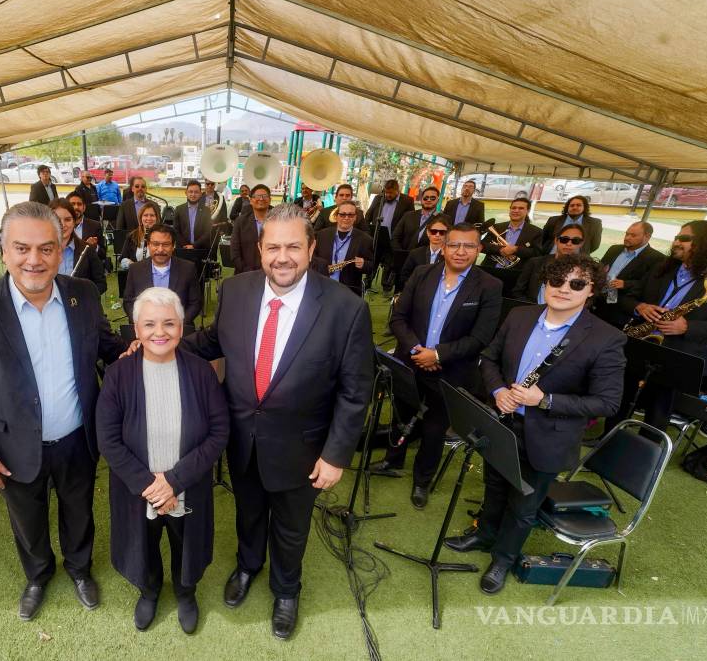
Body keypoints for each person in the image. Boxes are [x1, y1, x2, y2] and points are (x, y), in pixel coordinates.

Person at [185, 204, 373, 640]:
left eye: (293, 246)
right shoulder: (236, 291)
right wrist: (160, 341)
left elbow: (354, 391)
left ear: (311, 248)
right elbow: (213, 340)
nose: (282, 257)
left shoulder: (346, 308)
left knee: (291, 528)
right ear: (259, 249)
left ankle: (287, 590)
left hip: (303, 450)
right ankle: (249, 566)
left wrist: (335, 454)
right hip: (242, 440)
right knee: (248, 513)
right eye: (273, 247)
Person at [0, 201, 126, 621]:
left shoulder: (83, 294)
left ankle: (80, 570)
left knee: (78, 511)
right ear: (3, 251)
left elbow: (105, 347)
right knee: (27, 521)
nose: (34, 259)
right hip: (12, 447)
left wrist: (137, 350)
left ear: (62, 249)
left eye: (46, 248)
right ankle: (38, 575)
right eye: (22, 248)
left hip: (77, 438)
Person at [443, 254, 625, 595]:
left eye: (576, 284)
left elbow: (607, 402)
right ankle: (484, 534)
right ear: (545, 283)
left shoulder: (605, 338)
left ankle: (503, 558)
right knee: (495, 486)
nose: (563, 289)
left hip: (548, 437)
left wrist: (544, 400)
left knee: (524, 505)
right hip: (503, 421)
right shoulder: (520, 315)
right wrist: (497, 390)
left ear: (591, 290)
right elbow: (490, 358)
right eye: (556, 281)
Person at [97, 287, 229, 633]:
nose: (160, 332)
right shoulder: (118, 375)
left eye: (169, 323)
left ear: (182, 328)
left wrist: (173, 481)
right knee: (144, 541)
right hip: (137, 488)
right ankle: (150, 590)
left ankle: (186, 592)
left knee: (186, 541)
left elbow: (218, 432)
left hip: (187, 484)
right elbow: (108, 439)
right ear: (136, 329)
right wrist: (150, 485)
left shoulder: (202, 373)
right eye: (150, 324)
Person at [371, 223, 502, 507]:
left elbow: (481, 337)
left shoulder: (489, 286)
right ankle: (393, 460)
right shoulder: (422, 274)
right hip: (412, 361)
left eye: (469, 246)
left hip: (451, 373)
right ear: (443, 248)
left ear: (479, 250)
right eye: (454, 245)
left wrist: (438, 355)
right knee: (401, 415)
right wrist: (419, 351)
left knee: (433, 430)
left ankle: (422, 481)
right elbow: (398, 318)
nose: (460, 251)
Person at [615, 220, 707, 431]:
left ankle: (646, 454)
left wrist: (688, 327)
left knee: (658, 410)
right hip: (642, 343)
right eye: (677, 237)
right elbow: (627, 298)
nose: (676, 242)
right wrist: (640, 307)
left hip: (680, 353)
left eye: (684, 239)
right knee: (622, 396)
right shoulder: (662, 267)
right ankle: (607, 438)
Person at [122, 224, 202, 326]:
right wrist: (142, 322)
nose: (160, 249)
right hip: (145, 329)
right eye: (155, 244)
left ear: (173, 246)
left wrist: (178, 324)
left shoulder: (188, 269)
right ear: (148, 245)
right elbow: (128, 301)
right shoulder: (135, 269)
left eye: (166, 244)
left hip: (178, 329)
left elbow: (195, 303)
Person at [594, 221, 666, 328]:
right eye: (627, 234)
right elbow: (601, 268)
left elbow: (649, 286)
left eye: (633, 235)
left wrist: (626, 284)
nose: (627, 238)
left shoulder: (657, 259)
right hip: (597, 301)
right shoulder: (614, 249)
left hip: (620, 311)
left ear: (647, 237)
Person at [480, 197, 545, 295]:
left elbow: (537, 253)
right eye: (513, 208)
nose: (516, 210)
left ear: (527, 211)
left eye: (521, 208)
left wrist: (516, 249)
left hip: (515, 274)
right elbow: (483, 246)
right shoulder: (497, 227)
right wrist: (500, 250)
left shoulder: (536, 232)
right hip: (490, 270)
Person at [512, 223, 585, 303]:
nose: (569, 244)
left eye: (575, 241)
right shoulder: (535, 263)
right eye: (564, 239)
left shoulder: (585, 270)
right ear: (556, 240)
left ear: (581, 244)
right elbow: (518, 292)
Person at [314, 200, 374, 296]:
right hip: (322, 287)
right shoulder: (322, 235)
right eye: (342, 214)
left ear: (355, 217)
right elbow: (313, 258)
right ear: (336, 216)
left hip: (348, 291)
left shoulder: (365, 239)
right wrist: (323, 267)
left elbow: (371, 266)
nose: (346, 218)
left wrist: (364, 264)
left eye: (350, 215)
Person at [366, 179, 415, 291]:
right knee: (373, 260)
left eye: (391, 193)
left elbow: (409, 220)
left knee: (389, 264)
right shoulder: (378, 198)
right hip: (377, 237)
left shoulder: (407, 201)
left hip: (393, 239)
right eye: (386, 192)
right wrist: (368, 232)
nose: (388, 195)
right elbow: (368, 216)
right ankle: (367, 283)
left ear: (398, 191)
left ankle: (386, 287)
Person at [50, 198, 106, 294]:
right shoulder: (40, 251)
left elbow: (101, 284)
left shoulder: (87, 249)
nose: (62, 225)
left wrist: (82, 296)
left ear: (74, 221)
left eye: (68, 219)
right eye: (57, 220)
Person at [395, 215, 449, 293]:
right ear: (428, 233)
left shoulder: (450, 256)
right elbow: (404, 277)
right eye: (434, 231)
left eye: (442, 232)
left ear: (447, 234)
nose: (437, 235)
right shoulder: (415, 253)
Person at [229, 183, 271, 273]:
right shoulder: (240, 222)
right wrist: (246, 271)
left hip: (271, 273)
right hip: (245, 274)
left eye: (264, 196)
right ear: (251, 200)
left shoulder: (278, 222)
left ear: (270, 200)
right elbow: (234, 251)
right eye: (257, 196)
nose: (261, 199)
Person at [67, 191, 106, 267]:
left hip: (86, 272)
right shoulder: (60, 226)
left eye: (79, 204)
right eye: (72, 204)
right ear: (66, 207)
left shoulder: (95, 226)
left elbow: (103, 254)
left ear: (84, 207)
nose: (76, 207)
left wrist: (95, 247)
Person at [175, 180, 214, 249]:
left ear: (200, 194)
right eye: (190, 192)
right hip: (183, 248)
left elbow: (208, 231)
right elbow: (176, 231)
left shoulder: (206, 211)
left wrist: (194, 245)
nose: (193, 194)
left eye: (196, 192)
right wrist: (185, 245)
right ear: (186, 193)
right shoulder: (178, 209)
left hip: (200, 248)